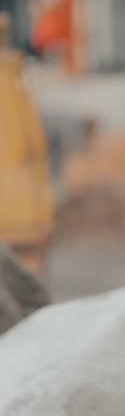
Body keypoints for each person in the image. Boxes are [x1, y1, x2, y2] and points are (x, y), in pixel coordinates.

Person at [0, 16, 52, 283]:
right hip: (16, 211)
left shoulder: (13, 76)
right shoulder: (9, 79)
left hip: (23, 209)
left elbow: (31, 140)